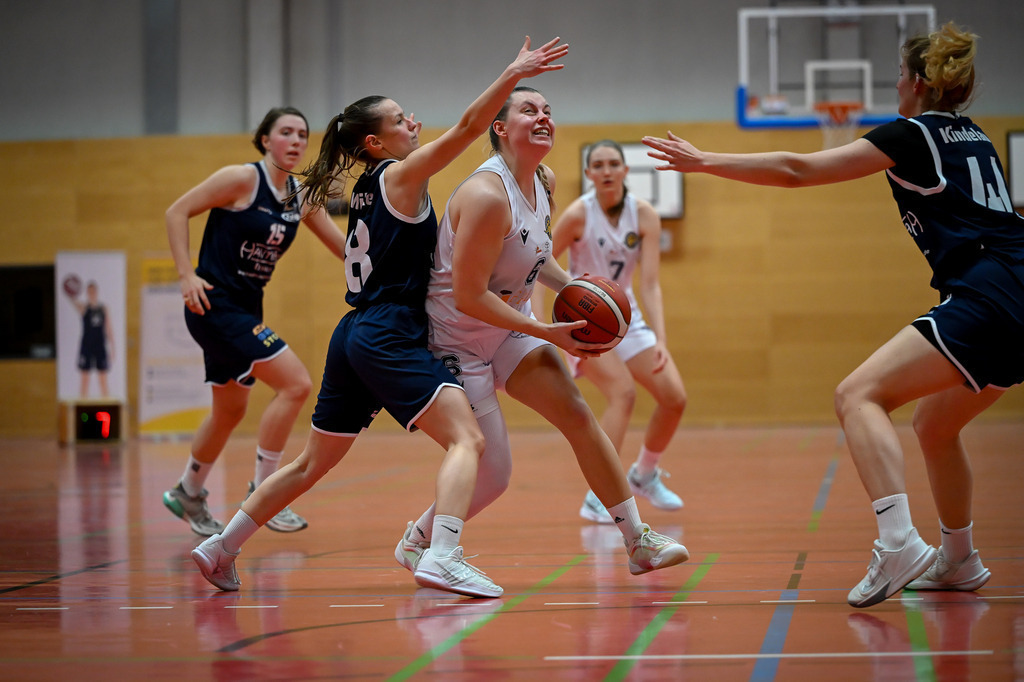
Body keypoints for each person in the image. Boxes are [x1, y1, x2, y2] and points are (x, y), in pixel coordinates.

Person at [643, 22, 1023, 608]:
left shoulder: (911, 134)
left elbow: (799, 170)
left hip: (988, 294)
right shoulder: (975, 136)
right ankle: (960, 558)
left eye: (899, 75)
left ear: (919, 83)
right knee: (934, 425)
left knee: (857, 395)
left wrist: (705, 160)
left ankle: (898, 543)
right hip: (1013, 290)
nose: (895, 85)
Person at [190, 37, 571, 598]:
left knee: (311, 463)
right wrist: (513, 74)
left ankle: (220, 547)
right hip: (389, 331)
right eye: (399, 119)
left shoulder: (369, 190)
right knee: (468, 439)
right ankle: (442, 555)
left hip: (354, 332)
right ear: (375, 142)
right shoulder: (399, 176)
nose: (412, 122)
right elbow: (470, 127)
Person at [394, 86, 690, 582]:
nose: (543, 117)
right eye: (528, 110)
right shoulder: (487, 196)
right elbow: (468, 296)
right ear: (500, 128)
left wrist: (575, 290)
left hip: (509, 327)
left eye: (548, 110)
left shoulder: (543, 180)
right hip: (457, 340)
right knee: (495, 475)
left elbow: (537, 257)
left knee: (577, 413)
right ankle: (420, 541)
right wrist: (545, 331)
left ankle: (638, 541)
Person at [163, 106, 348, 536]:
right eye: (286, 132)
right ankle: (267, 493)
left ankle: (188, 490)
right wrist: (186, 274)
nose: (296, 141)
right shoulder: (243, 179)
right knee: (296, 384)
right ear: (266, 140)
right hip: (214, 304)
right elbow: (176, 211)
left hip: (247, 307)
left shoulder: (300, 195)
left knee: (230, 410)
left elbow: (344, 249)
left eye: (302, 134)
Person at [547, 139, 688, 524]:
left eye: (613, 163)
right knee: (623, 394)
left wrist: (661, 339)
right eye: (598, 165)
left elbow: (650, 284)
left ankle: (643, 474)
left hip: (627, 319)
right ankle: (599, 496)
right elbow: (538, 264)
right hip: (585, 324)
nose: (606, 170)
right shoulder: (578, 215)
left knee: (674, 398)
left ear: (626, 170)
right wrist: (548, 329)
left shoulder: (644, 215)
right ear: (589, 174)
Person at [64, 279, 114, 398]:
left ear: (96, 292)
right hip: (87, 345)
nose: (91, 293)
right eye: (89, 291)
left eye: (93, 291)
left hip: (100, 345)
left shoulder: (103, 308)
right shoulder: (83, 308)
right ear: (87, 293)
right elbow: (73, 301)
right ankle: (82, 405)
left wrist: (113, 348)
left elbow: (108, 329)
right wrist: (69, 289)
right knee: (85, 379)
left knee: (103, 379)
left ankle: (106, 405)